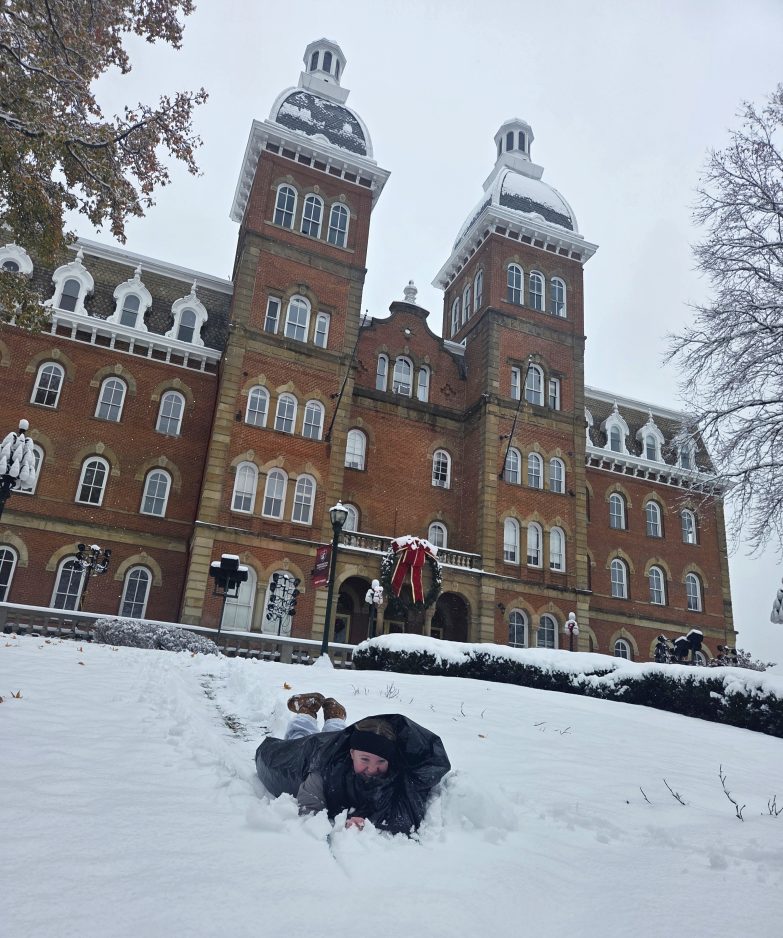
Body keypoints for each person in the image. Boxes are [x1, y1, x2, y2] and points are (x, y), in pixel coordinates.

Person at [255, 692, 451, 835]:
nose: (373, 769)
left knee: (334, 734)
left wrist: (366, 818)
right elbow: (309, 812)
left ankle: (335, 716)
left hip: (336, 739)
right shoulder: (321, 774)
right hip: (313, 749)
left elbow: (404, 815)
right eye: (365, 760)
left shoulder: (395, 771)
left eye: (381, 761)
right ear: (351, 754)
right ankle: (306, 711)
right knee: (300, 736)